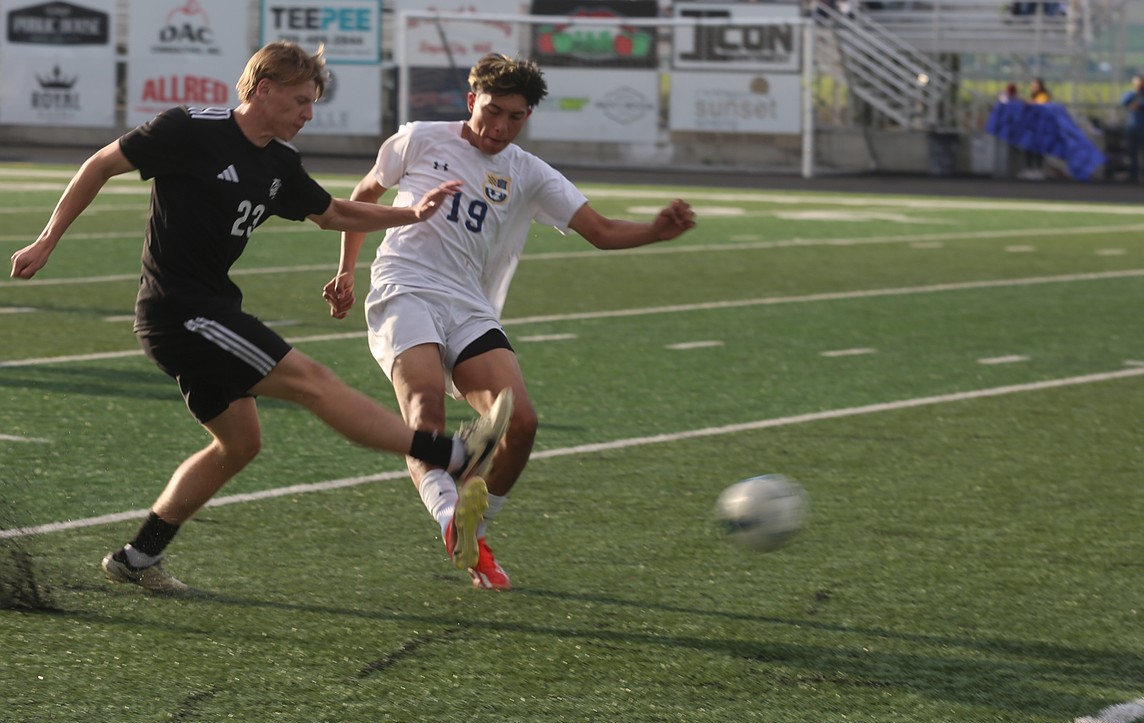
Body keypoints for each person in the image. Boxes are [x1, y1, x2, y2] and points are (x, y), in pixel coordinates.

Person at [8, 41, 513, 594]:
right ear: (264, 89)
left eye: (313, 103)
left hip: (213, 308)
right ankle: (451, 453)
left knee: (241, 444)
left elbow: (333, 213)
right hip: (180, 312)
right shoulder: (189, 128)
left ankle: (138, 556)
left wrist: (410, 213)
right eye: (301, 101)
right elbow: (101, 164)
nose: (308, 114)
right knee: (313, 381)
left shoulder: (279, 164)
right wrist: (47, 239)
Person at [322, 53, 696, 591]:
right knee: (425, 415)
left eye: (514, 117)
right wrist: (346, 271)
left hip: (469, 305)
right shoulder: (420, 138)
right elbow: (363, 196)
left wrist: (657, 231)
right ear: (471, 101)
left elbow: (601, 230)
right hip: (403, 286)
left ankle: (473, 533)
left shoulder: (529, 172)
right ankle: (450, 519)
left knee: (520, 424)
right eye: (492, 111)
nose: (500, 126)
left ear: (527, 118)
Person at [1121, 73, 1144, 184]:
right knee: (1132, 152)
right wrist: (1135, 93)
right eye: (1137, 82)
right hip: (1132, 128)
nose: (1139, 84)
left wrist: (1139, 104)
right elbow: (1123, 101)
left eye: (1141, 82)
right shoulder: (1131, 93)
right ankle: (1133, 174)